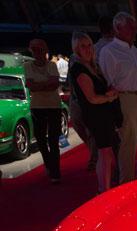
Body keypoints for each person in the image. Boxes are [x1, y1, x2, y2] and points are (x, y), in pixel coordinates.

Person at [99, 12, 137, 183]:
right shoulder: (109, 52)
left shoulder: (134, 50)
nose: (135, 31)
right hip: (125, 98)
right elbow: (107, 82)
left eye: (135, 28)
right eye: (131, 28)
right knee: (128, 144)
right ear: (117, 28)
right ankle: (127, 183)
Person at [69, 32, 120, 193]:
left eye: (89, 45)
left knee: (106, 152)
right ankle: (103, 189)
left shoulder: (91, 66)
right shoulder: (79, 69)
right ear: (76, 49)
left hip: (103, 114)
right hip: (96, 116)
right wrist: (109, 97)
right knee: (104, 152)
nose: (87, 49)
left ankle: (105, 187)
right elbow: (91, 98)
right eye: (83, 46)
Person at [23, 39, 62, 183]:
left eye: (40, 49)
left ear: (45, 50)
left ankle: (55, 173)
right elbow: (31, 86)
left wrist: (39, 85)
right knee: (40, 139)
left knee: (53, 138)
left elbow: (54, 84)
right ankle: (50, 165)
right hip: (37, 106)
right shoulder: (27, 66)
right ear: (31, 50)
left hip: (54, 106)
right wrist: (46, 83)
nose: (38, 52)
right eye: (34, 49)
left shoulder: (52, 65)